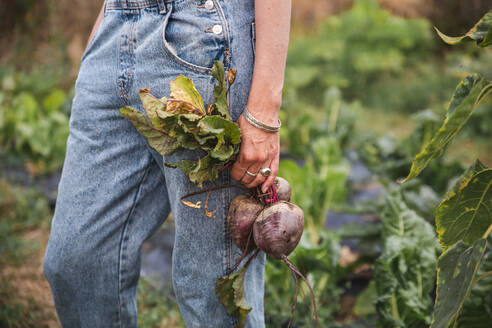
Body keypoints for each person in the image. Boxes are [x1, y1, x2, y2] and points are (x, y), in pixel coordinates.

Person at [43, 0, 291, 326]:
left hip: (202, 34)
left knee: (211, 292)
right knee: (76, 262)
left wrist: (264, 108)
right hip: (117, 27)